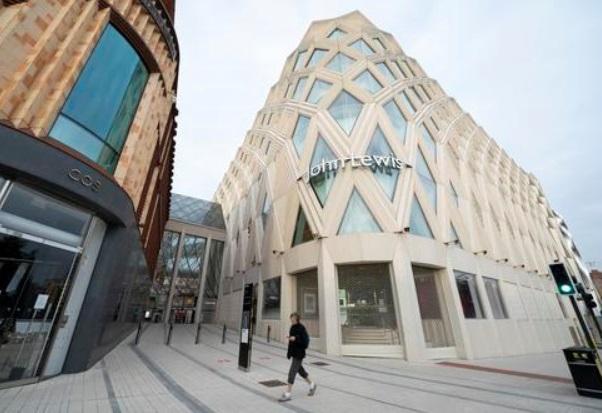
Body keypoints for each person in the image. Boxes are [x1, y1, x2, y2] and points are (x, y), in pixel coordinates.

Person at [278, 312, 317, 402]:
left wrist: (296, 339)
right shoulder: (292, 327)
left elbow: (305, 342)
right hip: (294, 353)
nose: (291, 320)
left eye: (293, 319)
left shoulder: (301, 328)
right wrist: (289, 352)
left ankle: (288, 393)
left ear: (297, 319)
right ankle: (312, 384)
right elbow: (291, 342)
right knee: (300, 370)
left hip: (299, 354)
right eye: (291, 319)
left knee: (292, 372)